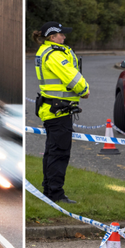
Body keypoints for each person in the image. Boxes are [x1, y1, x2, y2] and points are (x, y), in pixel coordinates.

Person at [34, 21, 90, 204]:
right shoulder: (54, 55)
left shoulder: (46, 51)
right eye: (61, 34)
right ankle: (56, 194)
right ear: (52, 37)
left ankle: (49, 190)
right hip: (58, 111)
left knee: (52, 152)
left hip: (53, 109)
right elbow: (71, 76)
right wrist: (84, 90)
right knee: (59, 153)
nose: (64, 37)